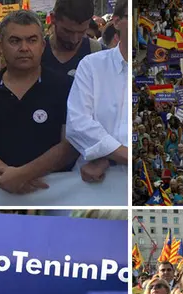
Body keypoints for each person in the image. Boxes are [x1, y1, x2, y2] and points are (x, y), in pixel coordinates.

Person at [0, 10, 79, 195]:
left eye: (32, 40)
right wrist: (7, 175)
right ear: (1, 46)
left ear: (43, 45)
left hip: (53, 194)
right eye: (15, 41)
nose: (24, 48)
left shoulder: (66, 86)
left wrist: (22, 175)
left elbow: (70, 144)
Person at [66, 0, 128, 183]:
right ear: (116, 21)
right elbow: (78, 124)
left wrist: (108, 156)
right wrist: (120, 155)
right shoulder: (92, 65)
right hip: (98, 185)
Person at [43, 0, 102, 77]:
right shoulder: (35, 53)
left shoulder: (100, 55)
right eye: (67, 31)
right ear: (53, 18)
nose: (74, 40)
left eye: (81, 32)